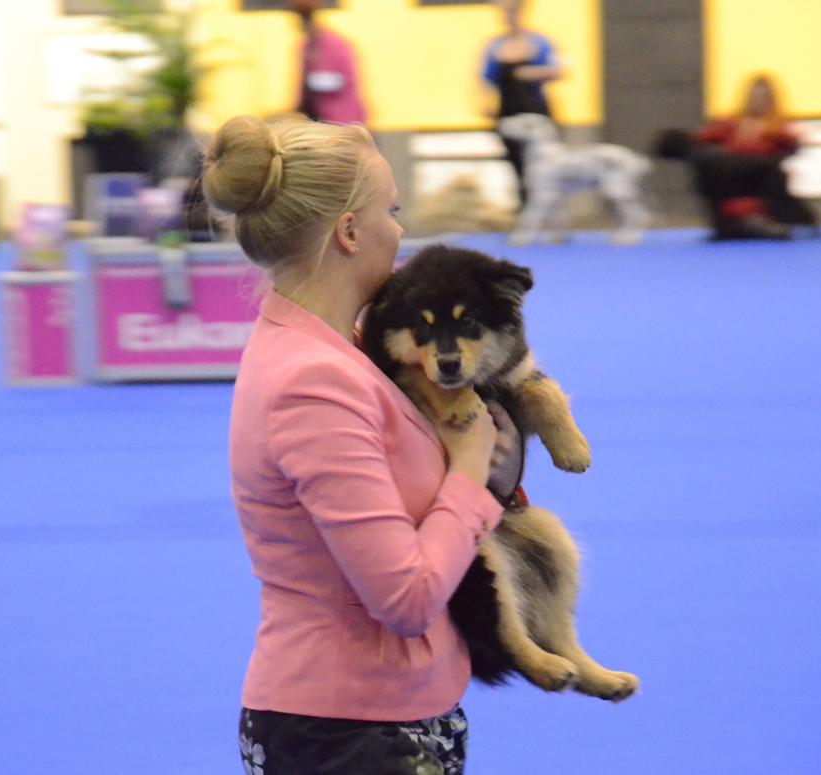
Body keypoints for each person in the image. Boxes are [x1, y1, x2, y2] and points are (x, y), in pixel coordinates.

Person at [203, 114, 522, 774]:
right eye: (392, 210)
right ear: (350, 232)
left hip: (381, 716)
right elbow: (405, 597)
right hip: (348, 732)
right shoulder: (312, 380)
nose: (400, 231)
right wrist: (469, 467)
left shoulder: (338, 347)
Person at [683, 74, 819, 240]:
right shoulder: (730, 123)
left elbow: (790, 144)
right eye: (754, 96)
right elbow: (701, 139)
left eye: (763, 96)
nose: (757, 101)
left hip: (761, 176)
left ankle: (757, 220)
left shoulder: (778, 127)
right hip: (728, 175)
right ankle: (733, 222)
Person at [480, 0, 566, 209]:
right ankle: (524, 208)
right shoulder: (495, 45)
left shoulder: (540, 42)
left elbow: (559, 70)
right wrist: (485, 103)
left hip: (535, 109)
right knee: (515, 162)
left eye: (512, 13)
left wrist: (530, 73)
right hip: (508, 110)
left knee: (545, 162)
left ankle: (550, 211)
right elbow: (484, 79)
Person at [291, 0, 366, 126]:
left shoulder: (333, 44)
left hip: (341, 118)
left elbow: (339, 80)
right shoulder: (306, 45)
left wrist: (311, 82)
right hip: (318, 118)